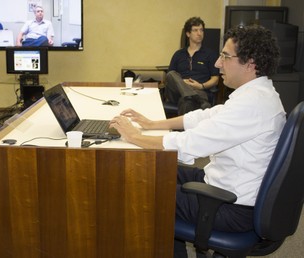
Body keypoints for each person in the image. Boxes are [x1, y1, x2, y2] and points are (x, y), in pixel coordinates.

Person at [110, 25, 285, 258]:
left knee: (142, 190)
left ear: (250, 63)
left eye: (225, 56)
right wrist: (152, 124)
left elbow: (190, 144)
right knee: (156, 170)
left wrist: (134, 136)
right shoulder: (256, 94)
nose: (217, 63)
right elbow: (203, 116)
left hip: (231, 206)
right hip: (224, 184)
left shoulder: (252, 105)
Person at [164, 17, 220, 114]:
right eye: (195, 30)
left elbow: (215, 79)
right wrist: (182, 82)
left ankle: (192, 97)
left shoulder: (210, 54)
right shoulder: (178, 54)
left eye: (201, 30)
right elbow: (170, 78)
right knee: (171, 74)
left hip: (200, 91)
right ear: (188, 34)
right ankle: (197, 98)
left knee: (187, 102)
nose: (199, 33)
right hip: (178, 93)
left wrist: (201, 86)